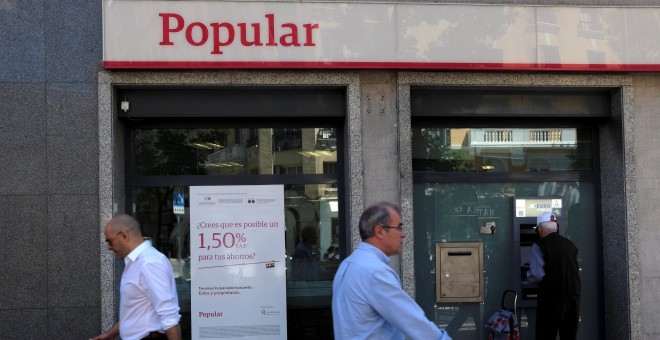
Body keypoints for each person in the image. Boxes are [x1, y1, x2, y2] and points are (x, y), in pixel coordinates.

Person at [332, 202, 452, 340]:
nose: (403, 234)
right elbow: (411, 319)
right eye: (399, 227)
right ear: (379, 231)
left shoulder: (348, 264)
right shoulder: (375, 271)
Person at [92, 214, 182, 340]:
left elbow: (169, 316)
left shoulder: (149, 263)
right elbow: (134, 311)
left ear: (124, 235)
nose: (109, 247)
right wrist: (110, 335)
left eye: (109, 241)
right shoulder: (135, 262)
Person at [526, 211, 581, 340]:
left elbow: (537, 275)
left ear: (540, 229)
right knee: (569, 335)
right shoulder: (570, 245)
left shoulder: (538, 245)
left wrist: (526, 279)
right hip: (573, 297)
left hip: (551, 298)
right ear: (556, 228)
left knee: (545, 335)